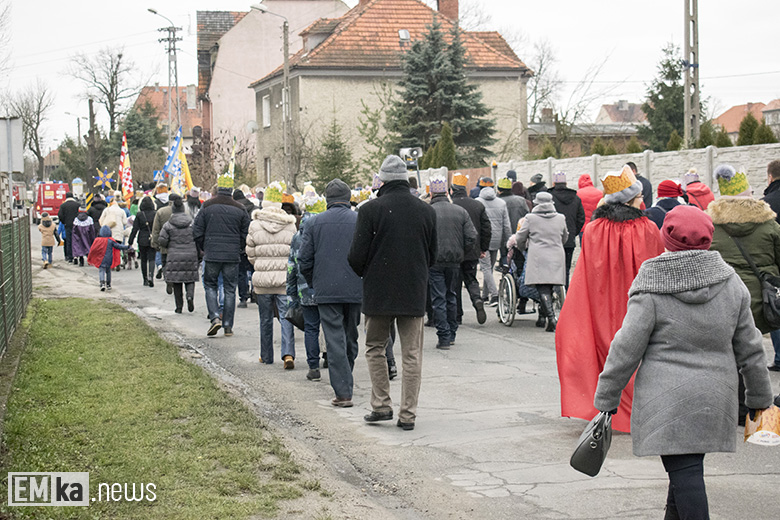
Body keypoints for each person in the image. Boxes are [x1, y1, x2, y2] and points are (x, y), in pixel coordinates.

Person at [594, 205, 773, 519]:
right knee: (686, 470)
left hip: (666, 401)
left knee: (686, 474)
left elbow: (626, 348)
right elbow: (751, 349)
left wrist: (607, 397)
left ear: (667, 236)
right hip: (716, 399)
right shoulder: (731, 283)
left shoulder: (651, 284)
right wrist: (759, 399)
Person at [555, 165, 664, 432]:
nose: (643, 200)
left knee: (606, 351)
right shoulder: (648, 228)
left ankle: (606, 404)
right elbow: (657, 267)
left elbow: (586, 272)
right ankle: (639, 406)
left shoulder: (593, 230)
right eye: (639, 196)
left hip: (601, 302)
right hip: (638, 301)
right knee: (640, 351)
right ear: (630, 199)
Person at [349, 155, 437, 431]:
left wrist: (371, 272)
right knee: (412, 353)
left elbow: (355, 256)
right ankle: (408, 414)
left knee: (375, 347)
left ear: (382, 180)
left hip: (378, 293)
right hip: (413, 291)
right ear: (406, 180)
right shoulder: (426, 211)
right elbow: (431, 255)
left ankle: (381, 405)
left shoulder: (370, 210)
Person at [706, 164, 780, 420]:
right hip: (761, 298)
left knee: (732, 350)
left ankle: (735, 406)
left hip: (724, 298)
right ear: (748, 192)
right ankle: (758, 404)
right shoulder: (769, 224)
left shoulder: (712, 225)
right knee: (754, 349)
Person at [299, 179, 363, 406]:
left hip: (326, 289)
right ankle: (347, 378)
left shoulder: (314, 223)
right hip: (355, 287)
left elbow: (304, 260)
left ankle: (343, 391)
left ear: (327, 199)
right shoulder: (359, 221)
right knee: (351, 335)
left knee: (334, 339)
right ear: (348, 199)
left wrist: (314, 282)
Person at [245, 182, 297, 363]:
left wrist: (259, 265)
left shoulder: (255, 225)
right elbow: (294, 252)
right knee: (286, 318)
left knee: (265, 319)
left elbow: (250, 253)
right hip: (284, 280)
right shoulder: (290, 226)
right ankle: (288, 353)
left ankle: (266, 356)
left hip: (262, 281)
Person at [193, 185, 251, 337]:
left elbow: (197, 230)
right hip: (232, 255)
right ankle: (228, 325)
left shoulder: (207, 206)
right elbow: (246, 232)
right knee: (230, 289)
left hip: (211, 252)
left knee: (210, 285)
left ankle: (214, 318)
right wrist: (240, 247)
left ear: (217, 192)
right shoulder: (240, 208)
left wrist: (203, 247)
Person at [427, 175, 476, 348]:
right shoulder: (460, 211)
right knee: (452, 295)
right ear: (447, 192)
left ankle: (444, 336)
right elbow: (472, 236)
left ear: (431, 194)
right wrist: (462, 251)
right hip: (454, 260)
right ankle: (452, 332)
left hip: (435, 261)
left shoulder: (428, 212)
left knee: (438, 298)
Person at [508, 191, 568, 331]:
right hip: (556, 255)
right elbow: (564, 237)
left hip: (538, 256)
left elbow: (521, 237)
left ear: (536, 203)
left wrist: (523, 248)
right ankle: (542, 317)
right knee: (551, 286)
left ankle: (551, 318)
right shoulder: (560, 218)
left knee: (542, 287)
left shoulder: (530, 218)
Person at [287, 196, 326, 381]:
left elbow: (292, 266)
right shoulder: (327, 231)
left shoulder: (298, 236)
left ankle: (313, 367)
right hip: (327, 286)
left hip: (305, 288)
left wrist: (292, 294)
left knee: (311, 328)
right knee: (330, 326)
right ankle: (331, 360)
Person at [451, 173, 491, 324]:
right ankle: (477, 300)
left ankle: (457, 315)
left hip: (454, 251)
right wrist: (483, 248)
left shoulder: (451, 205)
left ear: (452, 189)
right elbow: (487, 228)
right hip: (472, 250)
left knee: (455, 283)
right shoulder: (477, 205)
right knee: (471, 278)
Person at [157, 196, 199, 314]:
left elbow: (162, 240)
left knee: (176, 281)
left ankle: (179, 306)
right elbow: (197, 236)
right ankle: (190, 296)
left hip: (174, 254)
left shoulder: (168, 225)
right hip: (190, 254)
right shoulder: (192, 223)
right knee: (190, 278)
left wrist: (168, 245)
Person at [477, 177, 511, 306]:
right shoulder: (501, 203)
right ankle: (485, 295)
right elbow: (506, 225)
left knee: (485, 268)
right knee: (489, 268)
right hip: (496, 238)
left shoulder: (477, 202)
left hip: (482, 238)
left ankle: (494, 295)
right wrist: (508, 241)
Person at [548, 172, 585, 287]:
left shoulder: (549, 198)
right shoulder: (576, 198)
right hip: (569, 240)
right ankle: (565, 293)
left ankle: (553, 292)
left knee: (552, 268)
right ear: (566, 183)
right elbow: (581, 219)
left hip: (552, 239)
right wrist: (573, 233)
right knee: (566, 269)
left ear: (554, 183)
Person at [761, 159, 780, 371]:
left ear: (770, 177)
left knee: (775, 308)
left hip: (774, 267)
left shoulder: (766, 204)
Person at [496, 176, 529, 266]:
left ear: (499, 189)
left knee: (504, 257)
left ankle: (505, 275)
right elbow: (527, 216)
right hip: (519, 234)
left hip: (502, 236)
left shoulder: (497, 202)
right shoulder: (521, 200)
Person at [87, 225, 130, 291]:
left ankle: (102, 283)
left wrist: (90, 257)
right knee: (108, 271)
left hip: (100, 259)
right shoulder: (111, 240)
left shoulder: (97, 240)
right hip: (109, 259)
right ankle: (108, 284)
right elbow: (118, 246)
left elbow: (93, 249)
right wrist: (127, 247)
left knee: (101, 271)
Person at [234, 189, 257, 308]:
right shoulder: (254, 208)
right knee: (254, 270)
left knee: (241, 272)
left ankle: (243, 297)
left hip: (240, 245)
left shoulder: (235, 209)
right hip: (253, 243)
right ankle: (255, 293)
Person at [128, 196, 157, 287]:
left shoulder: (140, 214)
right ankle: (151, 276)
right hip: (152, 238)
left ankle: (145, 279)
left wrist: (130, 241)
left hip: (142, 239)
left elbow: (135, 229)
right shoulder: (155, 213)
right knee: (152, 258)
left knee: (143, 260)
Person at [57, 191, 80, 263]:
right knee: (76, 240)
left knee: (69, 241)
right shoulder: (77, 205)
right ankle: (76, 255)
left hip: (68, 225)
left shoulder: (63, 206)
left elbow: (60, 215)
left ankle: (70, 257)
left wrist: (64, 222)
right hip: (77, 225)